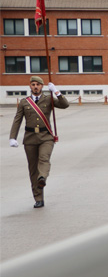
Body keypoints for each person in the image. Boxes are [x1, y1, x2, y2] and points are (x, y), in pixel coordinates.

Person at [9, 76, 70, 208]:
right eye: (33, 84)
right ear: (30, 86)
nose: (35, 86)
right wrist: (12, 137)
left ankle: (42, 178)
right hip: (30, 138)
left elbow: (65, 105)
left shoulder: (48, 99)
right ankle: (38, 199)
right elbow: (17, 120)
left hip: (46, 136)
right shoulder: (25, 102)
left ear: (42, 86)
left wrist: (57, 92)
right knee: (32, 169)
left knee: (44, 159)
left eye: (38, 84)